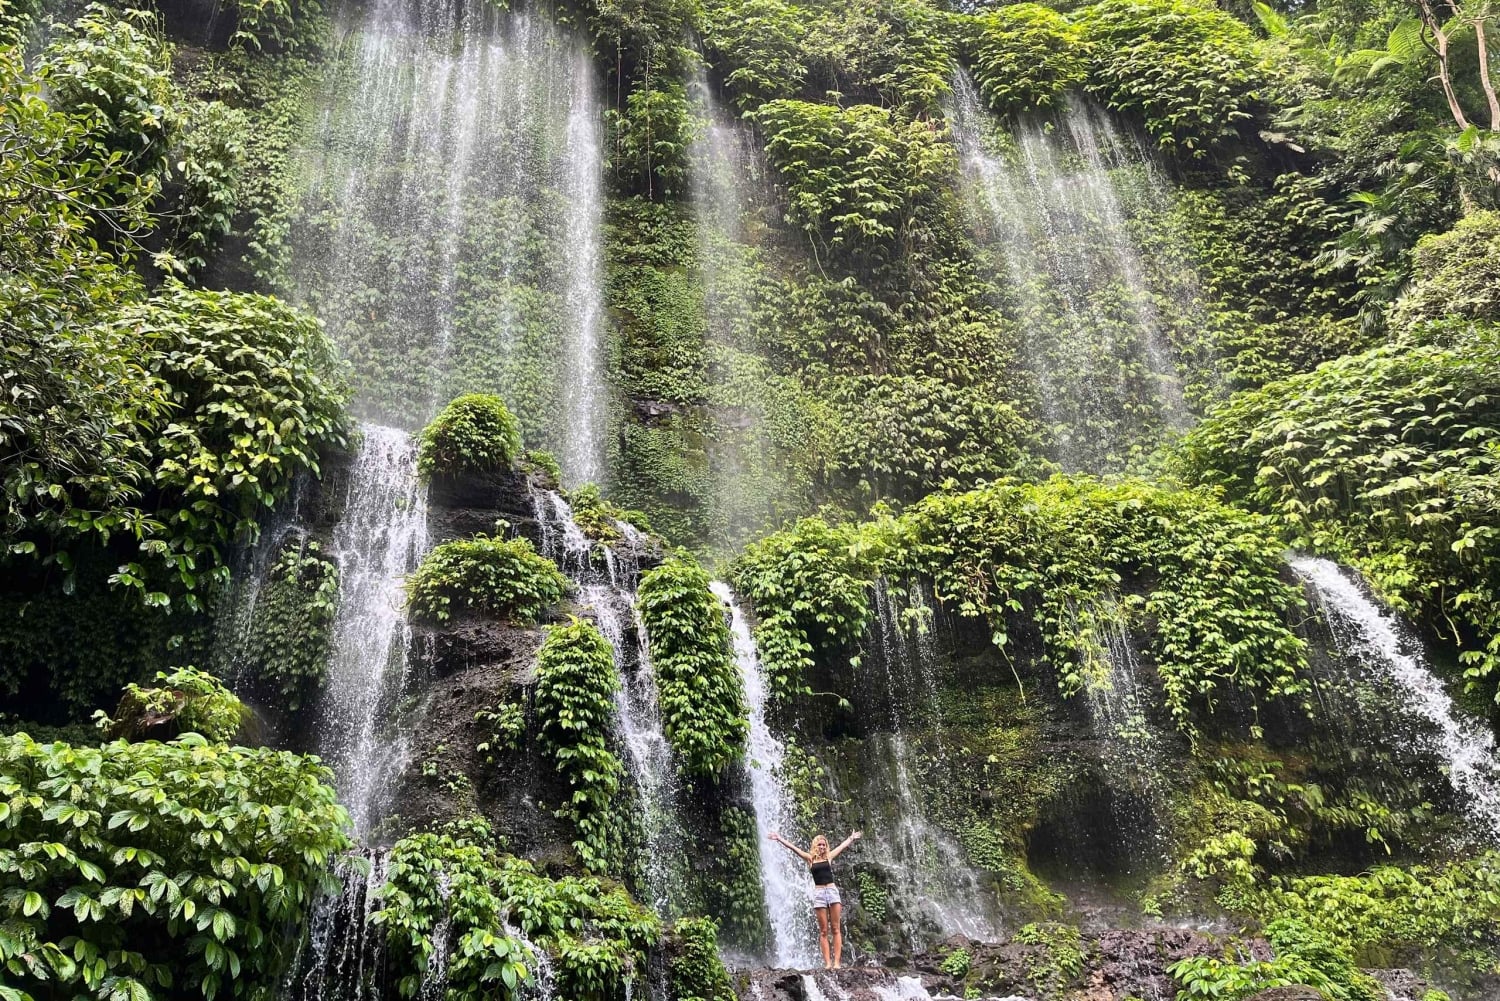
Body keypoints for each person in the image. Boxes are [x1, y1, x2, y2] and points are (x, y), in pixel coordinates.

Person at [769, 829, 862, 969]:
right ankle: (827, 963)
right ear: (815, 846)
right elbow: (794, 848)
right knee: (824, 931)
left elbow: (842, 847)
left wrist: (851, 838)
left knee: (836, 928)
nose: (822, 847)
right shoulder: (810, 858)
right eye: (820, 845)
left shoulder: (829, 857)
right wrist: (779, 838)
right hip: (819, 893)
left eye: (824, 845)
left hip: (831, 891)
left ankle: (837, 963)